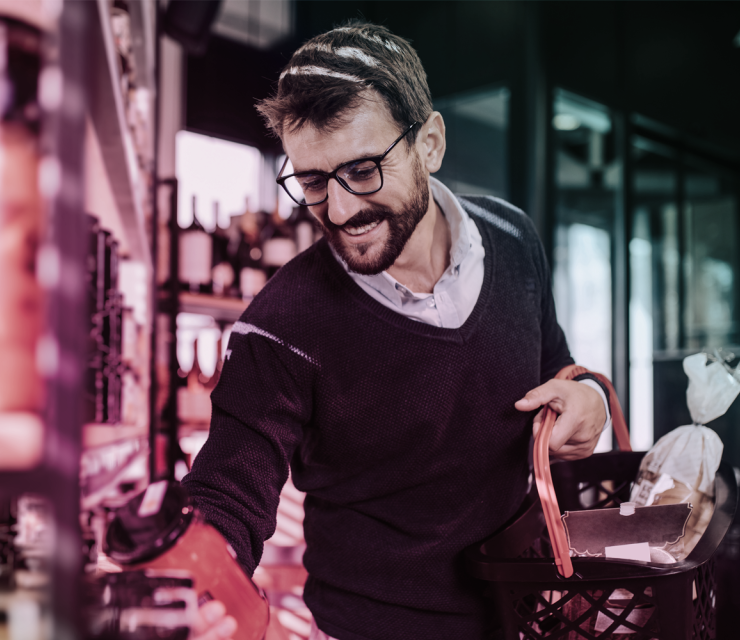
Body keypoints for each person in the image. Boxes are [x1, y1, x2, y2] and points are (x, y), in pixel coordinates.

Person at [184, 21, 610, 640]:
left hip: (528, 616)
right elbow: (228, 493)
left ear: (429, 143)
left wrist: (589, 399)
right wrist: (199, 574)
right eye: (312, 181)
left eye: (361, 170)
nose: (339, 210)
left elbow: (558, 372)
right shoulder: (279, 327)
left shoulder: (516, 240)